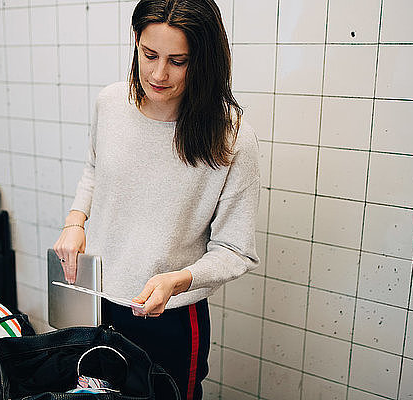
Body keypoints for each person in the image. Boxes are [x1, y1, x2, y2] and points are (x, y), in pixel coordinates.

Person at [54, 0, 260, 398]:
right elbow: (95, 168)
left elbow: (236, 250)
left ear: (203, 60)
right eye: (149, 55)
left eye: (178, 61)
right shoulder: (111, 103)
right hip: (97, 300)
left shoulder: (233, 137)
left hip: (172, 315)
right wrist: (75, 221)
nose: (158, 73)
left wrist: (180, 279)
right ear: (136, 42)